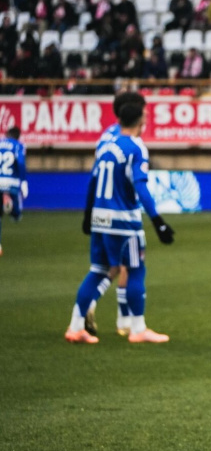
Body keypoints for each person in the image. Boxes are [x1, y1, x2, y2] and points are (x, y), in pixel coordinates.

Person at [66, 102, 175, 344]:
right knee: (136, 269)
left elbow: (93, 183)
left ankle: (75, 327)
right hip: (124, 222)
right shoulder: (136, 147)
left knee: (98, 271)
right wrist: (158, 221)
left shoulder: (107, 145)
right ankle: (137, 329)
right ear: (140, 121)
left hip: (100, 219)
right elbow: (140, 186)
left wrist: (87, 215)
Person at [80, 92, 150, 337]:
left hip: (100, 210)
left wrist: (88, 213)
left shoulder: (106, 136)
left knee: (108, 267)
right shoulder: (129, 140)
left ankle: (88, 311)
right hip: (121, 213)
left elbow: (96, 174)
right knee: (127, 266)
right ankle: (126, 320)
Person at [0, 126, 27, 257]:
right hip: (11, 182)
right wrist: (24, 182)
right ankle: (9, 203)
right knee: (17, 215)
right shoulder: (18, 145)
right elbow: (20, 163)